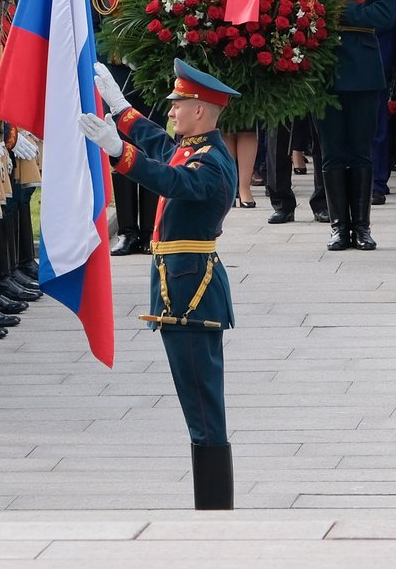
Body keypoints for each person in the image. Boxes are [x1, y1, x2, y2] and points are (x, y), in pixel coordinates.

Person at [81, 59, 238, 510]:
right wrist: (121, 110)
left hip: (191, 291)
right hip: (181, 283)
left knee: (202, 404)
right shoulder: (196, 148)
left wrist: (118, 152)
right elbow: (161, 146)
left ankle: (215, 508)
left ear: (200, 111)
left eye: (178, 104)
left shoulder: (211, 165)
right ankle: (212, 505)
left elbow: (169, 178)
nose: (171, 111)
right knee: (197, 402)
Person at [317, 0, 396, 252]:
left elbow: (384, 15)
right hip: (326, 69)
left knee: (362, 151)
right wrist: (353, 11)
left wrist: (338, 9)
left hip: (363, 68)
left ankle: (362, 226)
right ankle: (339, 226)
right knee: (332, 151)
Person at [92, 0, 161, 255]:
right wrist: (110, 59)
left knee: (150, 147)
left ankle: (150, 229)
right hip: (117, 75)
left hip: (150, 75)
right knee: (119, 147)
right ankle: (128, 230)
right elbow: (93, 30)